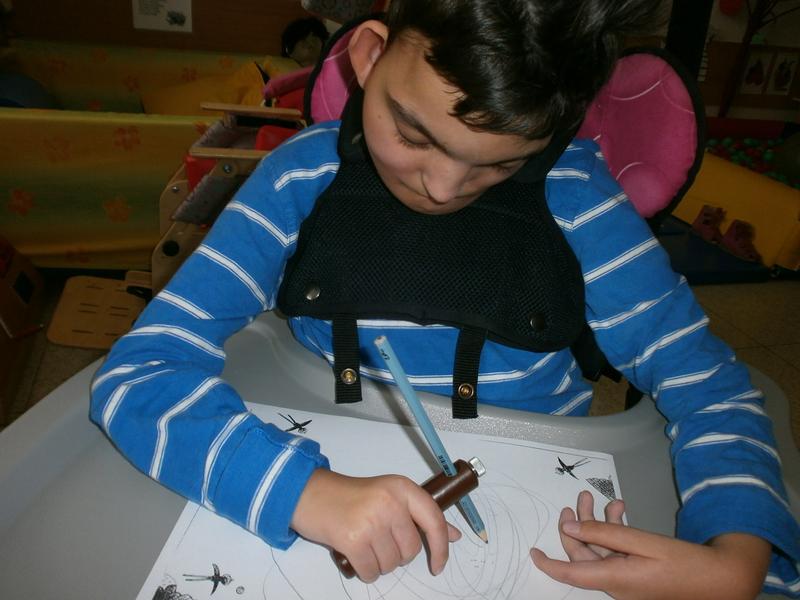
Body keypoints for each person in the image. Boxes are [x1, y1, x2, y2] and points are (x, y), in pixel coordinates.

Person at [89, 1, 800, 598]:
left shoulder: (580, 200)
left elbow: (713, 389)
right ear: (370, 56)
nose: (441, 188)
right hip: (323, 482)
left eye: (501, 163)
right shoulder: (298, 179)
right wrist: (299, 491)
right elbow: (139, 371)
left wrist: (737, 557)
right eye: (413, 133)